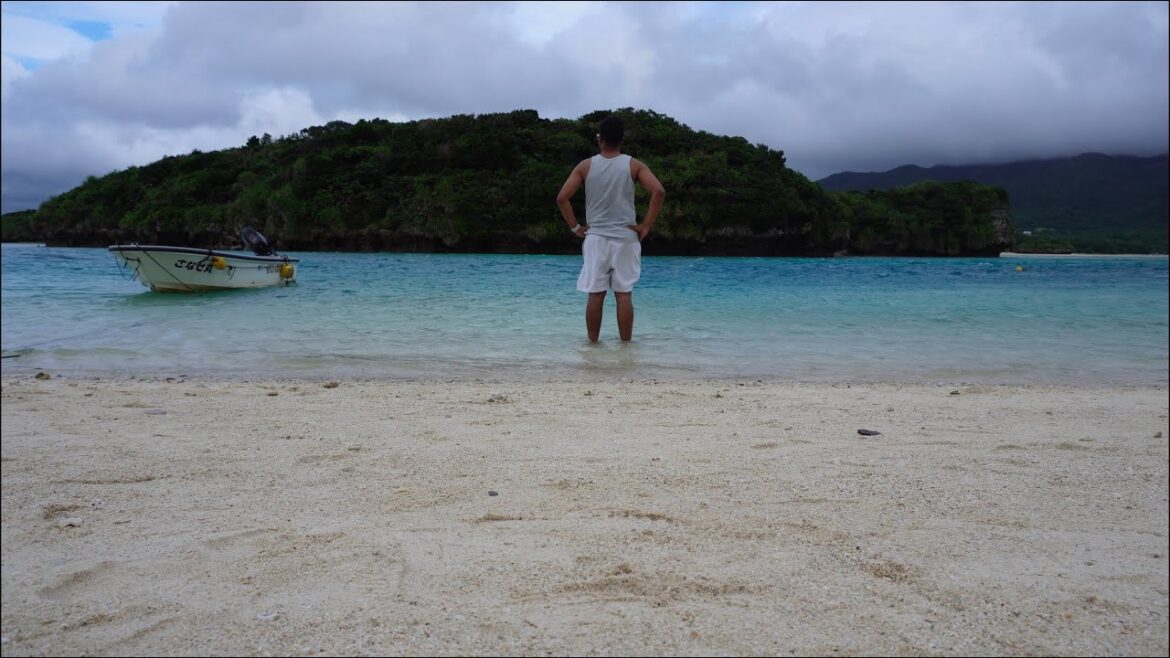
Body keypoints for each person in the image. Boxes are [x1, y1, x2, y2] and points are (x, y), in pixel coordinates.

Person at [556, 115, 666, 343]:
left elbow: (562, 198)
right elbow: (659, 191)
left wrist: (576, 227)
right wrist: (646, 225)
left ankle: (592, 346)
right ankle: (626, 346)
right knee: (623, 293)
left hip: (596, 237)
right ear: (621, 139)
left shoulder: (585, 166)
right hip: (626, 237)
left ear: (600, 139)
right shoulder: (633, 165)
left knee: (595, 294)